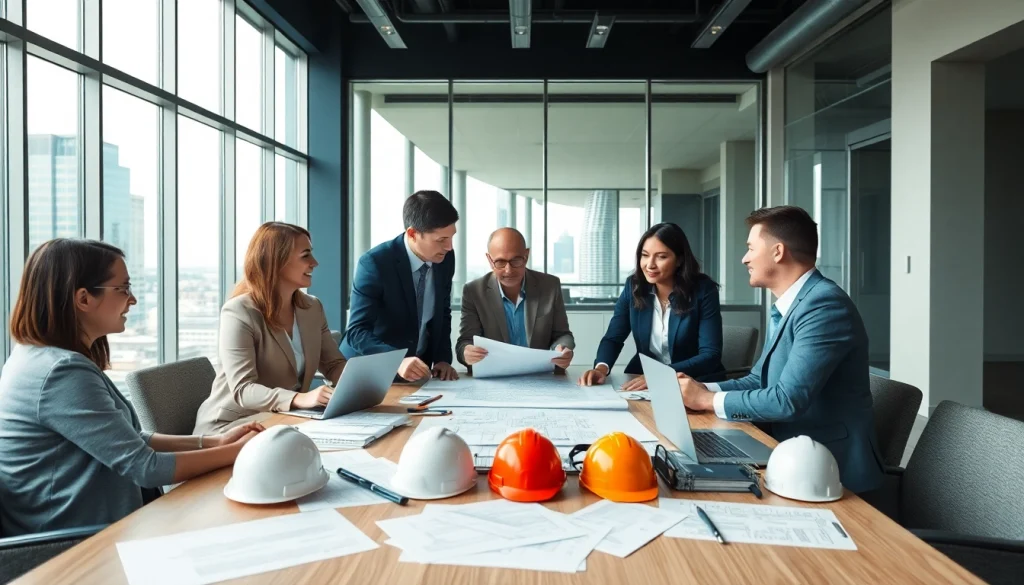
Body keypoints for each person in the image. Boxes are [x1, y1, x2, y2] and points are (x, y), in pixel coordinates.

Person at [0, 239, 262, 536]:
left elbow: (129, 439)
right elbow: (146, 468)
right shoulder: (60, 373)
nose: (133, 299)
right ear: (83, 299)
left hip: (95, 525)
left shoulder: (36, 357)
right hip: (76, 543)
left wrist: (214, 442)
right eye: (123, 288)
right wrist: (239, 452)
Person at [675, 206, 884, 494]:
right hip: (787, 453)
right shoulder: (791, 305)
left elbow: (787, 400)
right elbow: (758, 380)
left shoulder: (824, 306)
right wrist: (700, 388)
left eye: (750, 248)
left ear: (777, 252)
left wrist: (707, 400)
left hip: (829, 472)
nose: (744, 258)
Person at [194, 222, 348, 434]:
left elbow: (333, 364)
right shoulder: (239, 312)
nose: (315, 263)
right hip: (232, 427)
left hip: (282, 421)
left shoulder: (312, 308)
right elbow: (243, 390)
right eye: (305, 256)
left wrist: (360, 386)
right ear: (277, 262)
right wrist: (299, 398)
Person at [578, 222, 723, 390]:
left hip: (694, 382)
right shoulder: (634, 287)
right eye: (645, 255)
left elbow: (710, 355)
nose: (650, 265)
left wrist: (661, 374)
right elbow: (613, 338)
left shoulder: (703, 290)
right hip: (644, 380)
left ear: (679, 260)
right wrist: (601, 368)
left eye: (661, 257)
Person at [341, 190, 459, 382]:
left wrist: (442, 358)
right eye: (441, 240)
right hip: (368, 373)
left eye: (451, 237)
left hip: (415, 374)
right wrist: (398, 360)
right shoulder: (375, 263)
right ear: (412, 234)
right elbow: (356, 332)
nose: (449, 247)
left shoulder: (445, 259)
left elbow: (442, 313)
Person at [457, 228, 574, 373]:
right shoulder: (474, 292)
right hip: (495, 378)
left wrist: (562, 348)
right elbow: (465, 341)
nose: (508, 270)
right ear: (489, 260)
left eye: (516, 260)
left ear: (526, 255)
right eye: (500, 262)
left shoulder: (549, 286)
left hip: (540, 377)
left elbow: (563, 334)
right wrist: (466, 353)